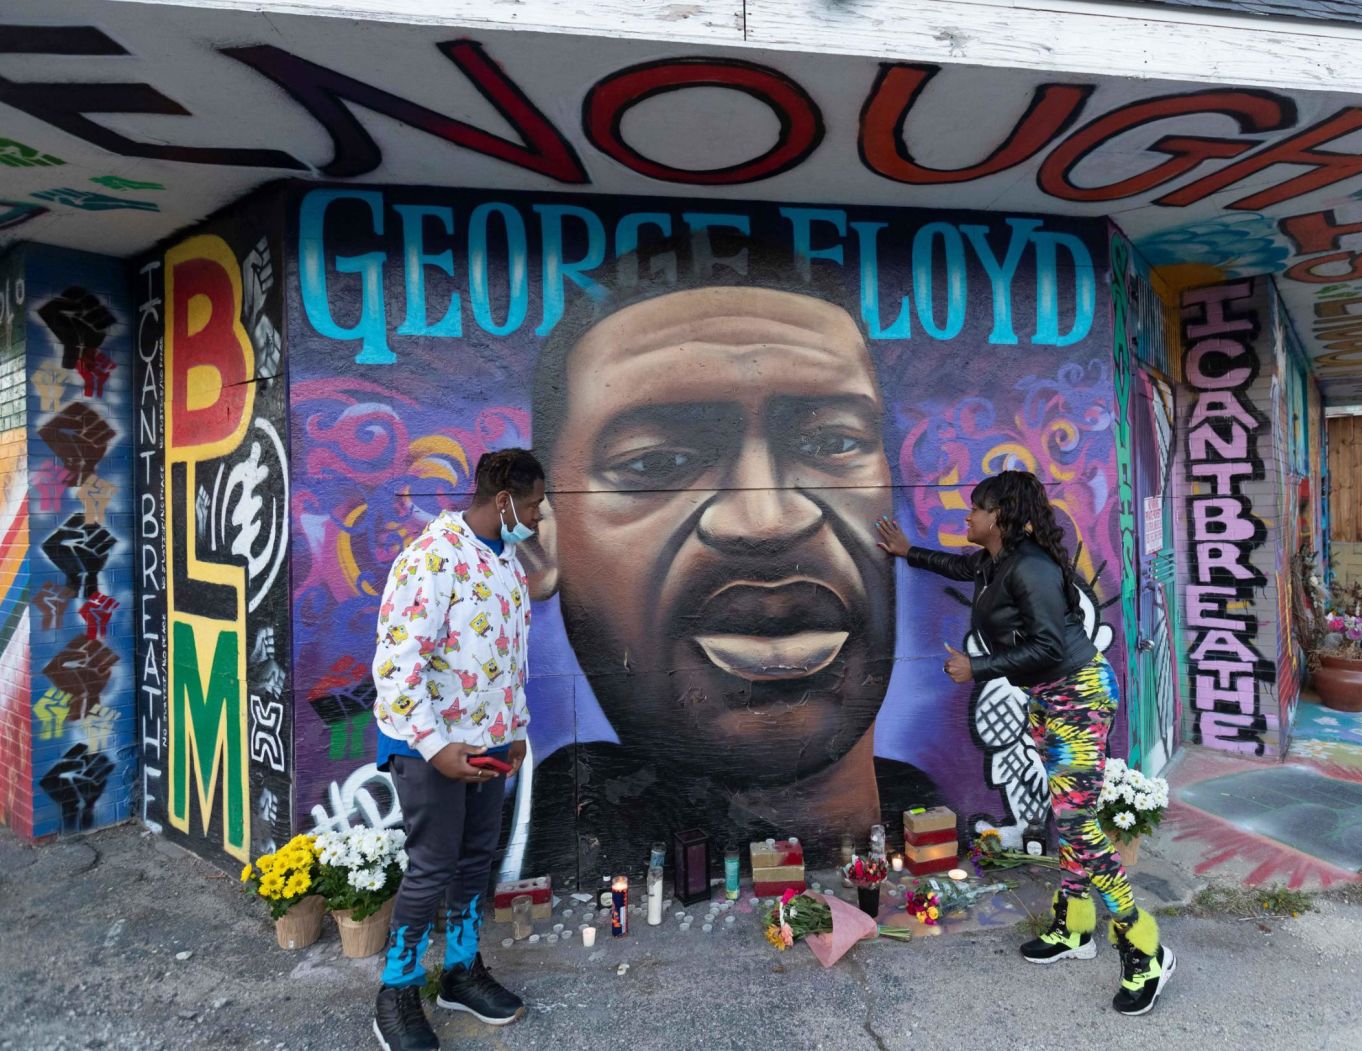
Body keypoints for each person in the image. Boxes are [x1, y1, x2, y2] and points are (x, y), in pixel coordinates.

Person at [524, 272, 940, 879]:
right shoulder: (530, 840)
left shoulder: (933, 813)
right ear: (541, 543)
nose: (767, 520)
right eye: (657, 461)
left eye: (831, 442)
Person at [876, 469, 1176, 1016]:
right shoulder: (994, 561)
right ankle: (1075, 927)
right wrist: (907, 551)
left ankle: (1144, 948)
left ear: (1000, 517)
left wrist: (980, 667)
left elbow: (1047, 645)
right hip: (1050, 699)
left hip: (1078, 697)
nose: (967, 517)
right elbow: (959, 565)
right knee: (1069, 818)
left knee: (1080, 826)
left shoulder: (1031, 568)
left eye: (976, 509)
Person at [369, 449, 546, 1050]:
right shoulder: (431, 559)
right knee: (432, 866)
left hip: (490, 743)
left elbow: (511, 659)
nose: (538, 519)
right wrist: (433, 746)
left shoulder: (507, 565)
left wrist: (515, 728)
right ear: (504, 501)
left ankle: (460, 973)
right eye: (533, 506)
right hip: (429, 749)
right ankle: (396, 990)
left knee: (476, 860)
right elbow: (396, 667)